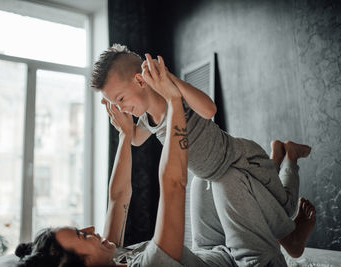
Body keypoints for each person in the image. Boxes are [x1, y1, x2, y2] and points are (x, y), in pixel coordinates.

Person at [15, 54, 316, 267]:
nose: (92, 228)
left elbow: (118, 197)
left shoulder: (112, 256)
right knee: (266, 198)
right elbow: (172, 184)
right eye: (83, 235)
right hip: (228, 179)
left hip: (237, 161)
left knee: (214, 182)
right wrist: (171, 102)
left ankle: (276, 163)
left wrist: (124, 133)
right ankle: (287, 176)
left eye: (120, 99)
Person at [90, 44, 311, 219]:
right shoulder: (147, 118)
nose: (122, 108)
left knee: (285, 208)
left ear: (140, 80)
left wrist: (171, 79)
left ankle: (289, 156)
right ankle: (276, 156)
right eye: (115, 105)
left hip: (241, 161)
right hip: (217, 175)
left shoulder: (174, 95)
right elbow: (136, 140)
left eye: (120, 100)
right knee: (266, 207)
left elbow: (209, 110)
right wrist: (123, 127)